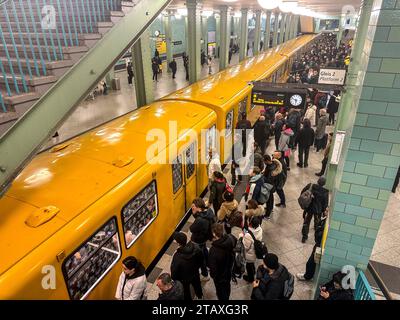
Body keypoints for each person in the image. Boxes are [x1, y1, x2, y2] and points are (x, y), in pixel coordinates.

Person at [170, 232, 204, 300]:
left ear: (178, 243)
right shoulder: (195, 247)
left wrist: (176, 279)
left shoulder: (177, 256)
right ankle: (200, 297)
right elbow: (201, 260)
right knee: (197, 285)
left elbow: (174, 273)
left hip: (184, 279)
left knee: (186, 291)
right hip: (195, 273)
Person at [208, 223, 236, 301]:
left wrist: (213, 275)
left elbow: (213, 270)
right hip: (229, 270)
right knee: (227, 286)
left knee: (220, 291)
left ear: (214, 233)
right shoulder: (230, 238)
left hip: (220, 277)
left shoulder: (213, 251)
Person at [297, 210, 327, 281]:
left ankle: (308, 276)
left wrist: (318, 228)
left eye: (326, 210)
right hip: (320, 245)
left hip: (319, 245)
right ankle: (310, 275)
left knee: (311, 262)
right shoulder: (324, 220)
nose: (325, 211)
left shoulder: (324, 222)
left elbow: (318, 236)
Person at [190, 198, 216, 281]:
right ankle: (209, 265)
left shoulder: (200, 220)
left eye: (193, 207)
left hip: (198, 240)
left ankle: (205, 274)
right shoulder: (208, 212)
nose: (192, 208)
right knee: (204, 250)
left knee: (201, 258)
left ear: (198, 207)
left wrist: (195, 215)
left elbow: (192, 228)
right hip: (204, 239)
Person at [300, 177, 329, 243]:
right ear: (324, 184)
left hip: (309, 207)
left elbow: (303, 192)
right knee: (317, 221)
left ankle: (304, 237)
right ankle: (316, 233)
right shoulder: (325, 192)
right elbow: (325, 204)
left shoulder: (310, 186)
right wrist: (323, 211)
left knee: (306, 222)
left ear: (318, 181)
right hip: (318, 210)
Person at [242, 216, 263, 283]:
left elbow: (246, 247)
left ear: (251, 224)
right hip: (255, 251)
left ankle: (250, 278)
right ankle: (253, 271)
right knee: (251, 264)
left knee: (249, 266)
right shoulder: (260, 229)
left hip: (249, 254)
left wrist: (242, 238)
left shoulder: (248, 235)